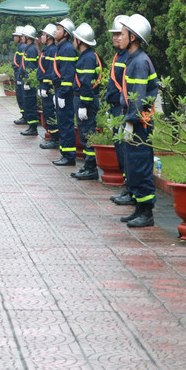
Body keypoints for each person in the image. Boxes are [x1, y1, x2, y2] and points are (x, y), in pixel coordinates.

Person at [112, 13, 158, 228]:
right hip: (133, 120)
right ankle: (139, 208)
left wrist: (131, 121)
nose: (119, 37)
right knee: (132, 165)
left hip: (139, 123)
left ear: (133, 37)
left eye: (122, 33)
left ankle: (146, 213)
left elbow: (137, 97)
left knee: (140, 165)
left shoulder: (139, 62)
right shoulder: (133, 59)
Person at [70, 23, 101, 180]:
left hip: (85, 101)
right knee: (84, 134)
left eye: (75, 39)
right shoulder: (86, 56)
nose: (73, 42)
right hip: (82, 99)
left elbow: (87, 83)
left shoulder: (88, 58)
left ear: (80, 41)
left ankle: (91, 167)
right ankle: (88, 166)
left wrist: (83, 105)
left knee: (88, 134)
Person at [105, 15, 131, 197]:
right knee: (119, 149)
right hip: (115, 108)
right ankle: (126, 185)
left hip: (124, 110)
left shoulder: (129, 57)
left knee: (126, 150)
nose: (115, 38)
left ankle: (130, 188)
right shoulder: (119, 55)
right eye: (114, 34)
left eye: (119, 34)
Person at [51, 18, 78, 166]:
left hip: (65, 94)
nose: (55, 31)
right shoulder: (61, 47)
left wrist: (61, 94)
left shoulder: (67, 48)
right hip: (60, 91)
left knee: (66, 124)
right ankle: (64, 153)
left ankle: (69, 156)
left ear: (66, 33)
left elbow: (67, 75)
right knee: (62, 123)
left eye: (59, 29)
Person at [37, 23, 60, 151]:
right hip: (44, 86)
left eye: (44, 34)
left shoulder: (51, 50)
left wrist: (45, 85)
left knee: (50, 113)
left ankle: (54, 139)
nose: (42, 37)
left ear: (50, 37)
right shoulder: (47, 49)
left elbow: (50, 70)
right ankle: (52, 136)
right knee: (47, 112)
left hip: (48, 87)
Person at [19, 26, 40, 136]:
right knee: (27, 103)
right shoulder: (28, 48)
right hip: (25, 80)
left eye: (23, 36)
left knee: (30, 104)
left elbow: (31, 68)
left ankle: (33, 127)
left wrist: (27, 81)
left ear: (27, 37)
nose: (21, 38)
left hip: (29, 83)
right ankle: (30, 126)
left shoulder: (31, 49)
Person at [11, 26, 26, 125]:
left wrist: (20, 75)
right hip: (17, 73)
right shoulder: (20, 47)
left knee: (22, 96)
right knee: (19, 96)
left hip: (20, 74)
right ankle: (23, 115)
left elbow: (22, 64)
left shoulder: (23, 47)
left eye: (15, 36)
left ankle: (25, 116)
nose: (14, 38)